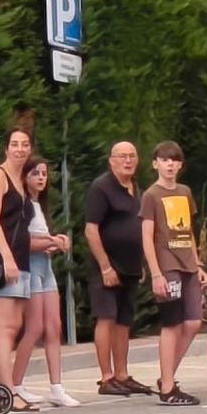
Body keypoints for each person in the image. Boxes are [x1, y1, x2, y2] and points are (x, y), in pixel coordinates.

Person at [141, 140, 205, 405]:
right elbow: (147, 236)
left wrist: (198, 264)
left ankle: (167, 375)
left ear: (180, 165)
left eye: (175, 160)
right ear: (155, 163)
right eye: (165, 160)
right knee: (172, 323)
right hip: (167, 266)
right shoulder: (151, 195)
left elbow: (188, 230)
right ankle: (168, 386)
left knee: (193, 322)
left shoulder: (184, 191)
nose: (170, 165)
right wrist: (156, 273)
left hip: (188, 263)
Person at [11, 154, 78, 407]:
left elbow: (41, 240)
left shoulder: (41, 205)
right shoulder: (23, 204)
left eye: (43, 173)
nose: (40, 178)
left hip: (45, 267)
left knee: (54, 327)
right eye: (34, 173)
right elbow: (23, 242)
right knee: (35, 327)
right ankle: (16, 385)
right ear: (25, 177)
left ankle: (57, 386)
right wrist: (52, 241)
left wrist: (53, 242)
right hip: (30, 267)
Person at [83, 140, 147, 396]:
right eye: (122, 156)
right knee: (106, 318)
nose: (128, 161)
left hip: (131, 266)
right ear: (112, 161)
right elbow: (91, 229)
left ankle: (122, 373)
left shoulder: (135, 189)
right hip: (107, 266)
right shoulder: (101, 188)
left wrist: (142, 263)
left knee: (124, 321)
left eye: (132, 156)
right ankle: (106, 377)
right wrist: (105, 266)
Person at [0, 126, 35, 408]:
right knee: (4, 327)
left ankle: (7, 386)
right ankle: (5, 391)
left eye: (25, 144)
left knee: (14, 326)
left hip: (21, 261)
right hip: (2, 261)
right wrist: (7, 258)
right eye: (14, 144)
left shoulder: (21, 179)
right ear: (6, 148)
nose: (20, 149)